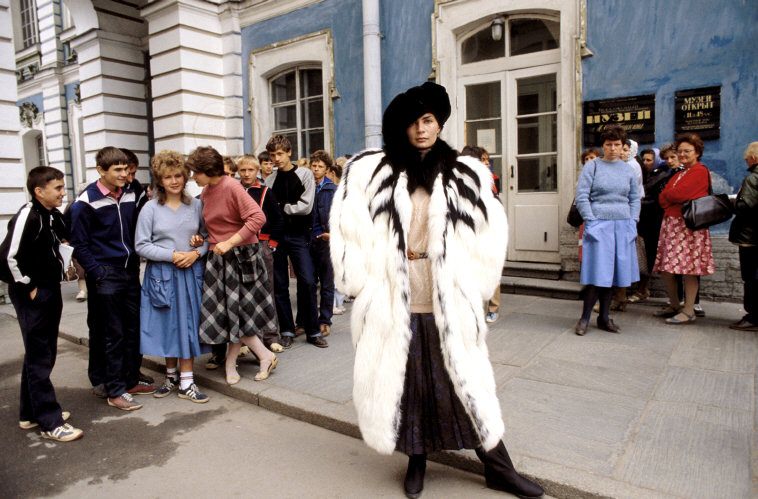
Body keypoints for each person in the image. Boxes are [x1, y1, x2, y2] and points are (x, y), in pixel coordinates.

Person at [331, 81, 543, 498]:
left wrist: (476, 285)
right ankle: (417, 461)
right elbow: (347, 227)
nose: (421, 130)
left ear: (440, 123)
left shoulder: (464, 173)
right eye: (414, 123)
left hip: (448, 295)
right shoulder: (378, 172)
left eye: (428, 120)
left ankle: (500, 467)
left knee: (466, 384)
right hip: (397, 294)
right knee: (409, 383)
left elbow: (489, 231)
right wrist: (360, 279)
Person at [0, 166, 83, 441]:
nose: (63, 192)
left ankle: (30, 413)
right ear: (39, 191)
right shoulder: (29, 215)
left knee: (42, 354)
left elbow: (63, 236)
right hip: (33, 294)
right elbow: (7, 258)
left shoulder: (50, 215)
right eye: (58, 188)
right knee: (39, 357)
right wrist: (28, 287)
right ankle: (50, 421)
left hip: (50, 289)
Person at [70, 147, 156, 411]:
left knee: (133, 328)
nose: (124, 174)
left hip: (130, 272)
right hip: (106, 275)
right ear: (101, 170)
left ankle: (129, 380)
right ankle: (114, 389)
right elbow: (79, 244)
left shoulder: (131, 192)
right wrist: (97, 272)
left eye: (126, 169)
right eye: (117, 170)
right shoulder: (85, 202)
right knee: (112, 333)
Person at [188, 146, 279, 384]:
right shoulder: (207, 191)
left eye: (195, 172)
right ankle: (261, 356)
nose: (192, 177)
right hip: (220, 259)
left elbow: (258, 218)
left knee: (240, 315)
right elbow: (214, 227)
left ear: (207, 170)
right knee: (230, 316)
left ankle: (240, 361)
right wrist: (202, 237)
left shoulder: (231, 186)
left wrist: (229, 242)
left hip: (242, 258)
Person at [135, 150, 210, 403]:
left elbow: (207, 238)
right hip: (162, 275)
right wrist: (172, 254)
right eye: (168, 177)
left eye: (179, 175)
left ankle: (187, 382)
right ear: (160, 179)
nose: (175, 181)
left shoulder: (197, 205)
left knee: (188, 323)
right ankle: (171, 377)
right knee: (167, 325)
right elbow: (141, 245)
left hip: (190, 272)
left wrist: (197, 252)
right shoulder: (150, 209)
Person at [574, 125, 640, 335]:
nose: (612, 148)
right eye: (608, 144)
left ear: (623, 147)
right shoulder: (592, 167)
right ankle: (584, 318)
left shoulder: (629, 170)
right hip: (598, 224)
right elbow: (582, 196)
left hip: (622, 225)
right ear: (603, 146)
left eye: (617, 145)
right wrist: (590, 221)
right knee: (597, 274)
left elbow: (634, 198)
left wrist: (633, 222)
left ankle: (604, 317)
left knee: (613, 275)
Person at [265, 135, 328, 349]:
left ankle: (312, 330)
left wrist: (281, 208)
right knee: (280, 285)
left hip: (299, 236)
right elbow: (267, 210)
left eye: (280, 154)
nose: (276, 158)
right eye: (273, 155)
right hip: (278, 237)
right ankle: (287, 330)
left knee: (308, 281)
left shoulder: (305, 174)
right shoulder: (270, 179)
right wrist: (280, 211)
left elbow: (305, 206)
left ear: (289, 153)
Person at [652, 133, 715, 324]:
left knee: (689, 269)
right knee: (666, 268)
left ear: (697, 152)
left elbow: (679, 194)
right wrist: (670, 196)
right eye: (680, 151)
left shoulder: (700, 170)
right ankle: (674, 304)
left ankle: (689, 310)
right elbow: (662, 197)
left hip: (688, 227)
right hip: (672, 224)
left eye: (687, 151)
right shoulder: (680, 173)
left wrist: (670, 196)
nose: (683, 154)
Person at [238, 154, 285, 352]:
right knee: (244, 294)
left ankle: (271, 335)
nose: (247, 174)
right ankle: (249, 339)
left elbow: (278, 220)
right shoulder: (235, 190)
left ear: (257, 171)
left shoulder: (265, 192)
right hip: (239, 246)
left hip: (261, 245)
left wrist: (271, 243)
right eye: (243, 170)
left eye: (250, 170)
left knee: (266, 290)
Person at [462, 145, 502, 323]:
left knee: (490, 267)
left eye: (487, 160)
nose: (487, 163)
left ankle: (493, 307)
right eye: (483, 160)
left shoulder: (491, 181)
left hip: (487, 230)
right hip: (468, 231)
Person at [629, 146, 674, 304]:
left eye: (650, 160)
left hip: (655, 222)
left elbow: (655, 199)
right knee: (642, 256)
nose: (647, 163)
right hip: (643, 221)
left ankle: (643, 289)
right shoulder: (646, 174)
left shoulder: (663, 174)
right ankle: (641, 288)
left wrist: (640, 202)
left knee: (649, 256)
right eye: (645, 160)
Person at [727, 142, 758, 331]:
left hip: (751, 235)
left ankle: (753, 316)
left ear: (754, 157)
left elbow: (746, 205)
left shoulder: (753, 179)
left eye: (747, 157)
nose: (745, 160)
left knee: (751, 277)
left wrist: (733, 202)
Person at [309, 150, 337, 337]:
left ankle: (325, 320)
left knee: (327, 282)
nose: (316, 169)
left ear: (327, 169)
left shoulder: (333, 190)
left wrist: (332, 234)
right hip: (309, 239)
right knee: (309, 282)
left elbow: (341, 215)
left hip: (326, 240)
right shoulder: (307, 187)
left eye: (320, 166)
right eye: (314, 165)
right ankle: (307, 320)